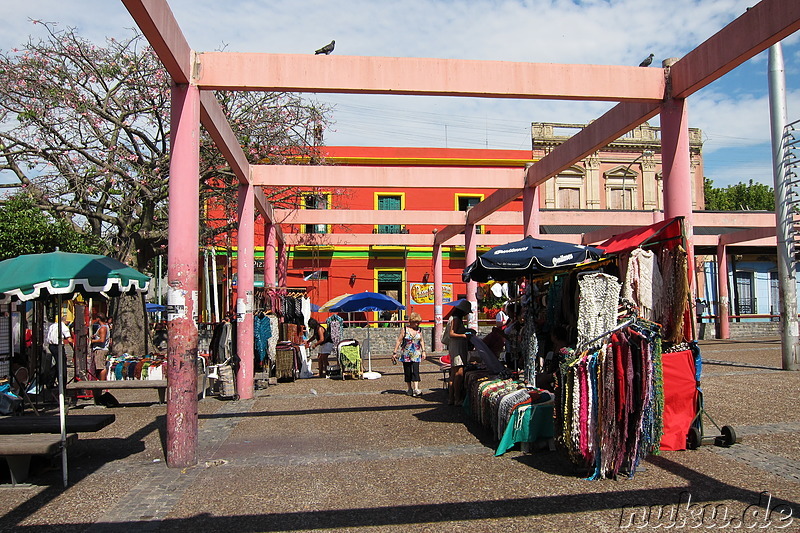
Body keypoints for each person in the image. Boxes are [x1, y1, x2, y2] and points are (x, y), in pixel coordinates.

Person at [391, 312, 427, 397]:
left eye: (419, 322)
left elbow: (421, 340)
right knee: (407, 372)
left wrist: (424, 351)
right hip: (406, 353)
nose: (417, 324)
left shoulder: (419, 330)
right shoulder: (405, 329)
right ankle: (409, 388)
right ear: (411, 321)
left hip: (416, 353)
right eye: (416, 322)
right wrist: (395, 352)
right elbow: (399, 341)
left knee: (415, 370)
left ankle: (416, 388)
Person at [446, 299, 471, 406]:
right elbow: (452, 333)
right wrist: (464, 335)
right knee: (459, 373)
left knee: (453, 373)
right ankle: (457, 398)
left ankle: (451, 398)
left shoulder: (453, 318)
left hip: (454, 347)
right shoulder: (456, 319)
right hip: (457, 348)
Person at [45, 314, 72, 389]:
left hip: (51, 346)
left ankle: (50, 381)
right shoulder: (64, 327)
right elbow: (69, 339)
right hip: (58, 346)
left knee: (56, 364)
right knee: (61, 364)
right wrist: (74, 347)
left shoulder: (53, 326)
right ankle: (62, 383)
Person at [91, 314, 111, 381]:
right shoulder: (103, 327)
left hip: (101, 349)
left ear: (98, 319)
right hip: (100, 349)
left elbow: (102, 340)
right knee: (100, 366)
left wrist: (92, 341)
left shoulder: (103, 328)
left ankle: (102, 383)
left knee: (101, 367)